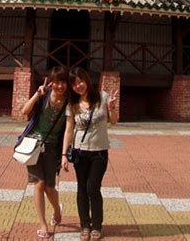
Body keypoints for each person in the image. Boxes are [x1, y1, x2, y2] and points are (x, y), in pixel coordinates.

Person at [61, 67, 118, 240]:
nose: (78, 86)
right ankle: (85, 225)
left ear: (86, 80)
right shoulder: (73, 104)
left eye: (80, 81)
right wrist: (64, 154)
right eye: (74, 84)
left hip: (99, 152)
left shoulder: (103, 97)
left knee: (93, 188)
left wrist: (112, 108)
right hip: (80, 152)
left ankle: (97, 225)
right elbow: (69, 130)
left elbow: (113, 122)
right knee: (81, 188)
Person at [21, 66, 69, 239]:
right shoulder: (44, 96)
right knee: (39, 183)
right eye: (56, 82)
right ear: (51, 82)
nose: (60, 86)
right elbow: (24, 111)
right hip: (33, 144)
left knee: (50, 187)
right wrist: (36, 94)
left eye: (63, 82)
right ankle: (43, 223)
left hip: (52, 148)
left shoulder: (70, 102)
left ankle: (57, 209)